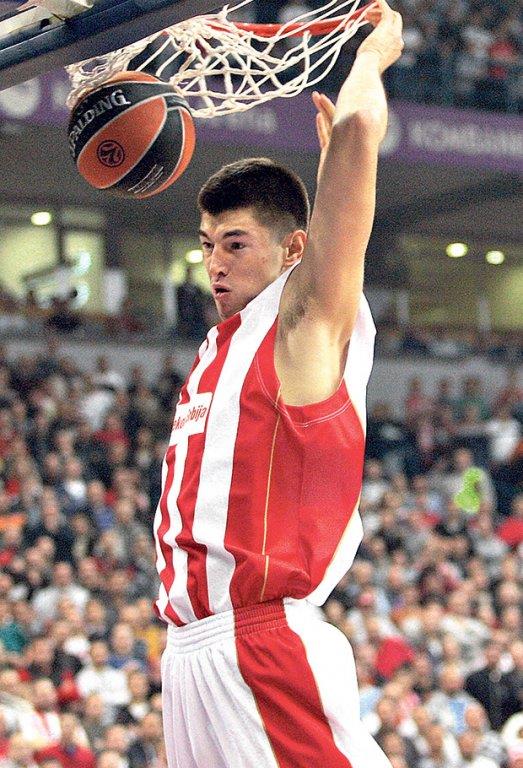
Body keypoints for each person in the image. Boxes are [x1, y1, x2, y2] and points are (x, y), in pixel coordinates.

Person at [154, 2, 404, 766]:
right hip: (187, 654)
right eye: (206, 245)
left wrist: (372, 56)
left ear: (294, 250)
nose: (214, 263)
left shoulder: (299, 325)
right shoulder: (219, 344)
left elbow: (356, 129)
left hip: (257, 645)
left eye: (235, 244)